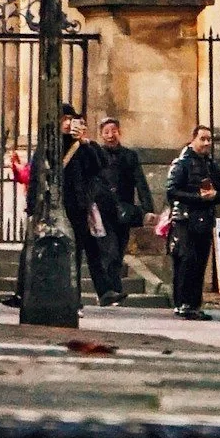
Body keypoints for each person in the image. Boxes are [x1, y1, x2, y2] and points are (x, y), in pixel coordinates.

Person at [165, 121, 220, 318]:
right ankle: (183, 303)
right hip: (185, 219)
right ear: (193, 139)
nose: (207, 143)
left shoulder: (212, 165)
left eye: (209, 139)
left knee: (200, 264)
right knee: (185, 262)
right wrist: (198, 197)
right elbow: (172, 191)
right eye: (203, 139)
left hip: (205, 220)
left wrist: (213, 196)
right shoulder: (181, 163)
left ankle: (194, 304)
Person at [59, 106, 117, 306]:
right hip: (59, 204)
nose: (69, 124)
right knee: (74, 252)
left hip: (80, 204)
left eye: (72, 120)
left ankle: (102, 292)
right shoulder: (55, 143)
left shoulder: (82, 146)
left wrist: (85, 143)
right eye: (65, 119)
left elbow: (99, 165)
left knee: (86, 249)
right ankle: (81, 297)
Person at [96, 116, 152, 305]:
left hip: (124, 210)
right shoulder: (97, 154)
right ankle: (112, 289)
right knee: (109, 250)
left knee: (119, 250)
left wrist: (147, 208)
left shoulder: (129, 156)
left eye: (114, 131)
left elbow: (140, 182)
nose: (110, 135)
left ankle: (112, 288)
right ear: (101, 135)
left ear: (120, 132)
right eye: (106, 132)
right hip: (103, 210)